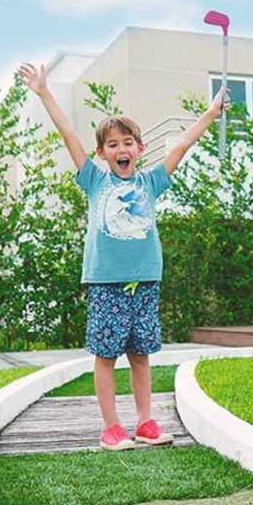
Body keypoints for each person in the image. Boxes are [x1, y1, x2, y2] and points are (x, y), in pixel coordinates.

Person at [19, 61, 226, 450]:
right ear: (101, 153)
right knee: (106, 355)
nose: (121, 149)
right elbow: (68, 134)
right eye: (112, 145)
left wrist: (211, 114)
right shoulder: (95, 180)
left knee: (141, 354)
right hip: (106, 282)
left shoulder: (151, 181)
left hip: (145, 281)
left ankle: (145, 423)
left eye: (127, 142)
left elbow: (182, 145)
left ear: (140, 148)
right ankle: (111, 427)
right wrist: (44, 91)